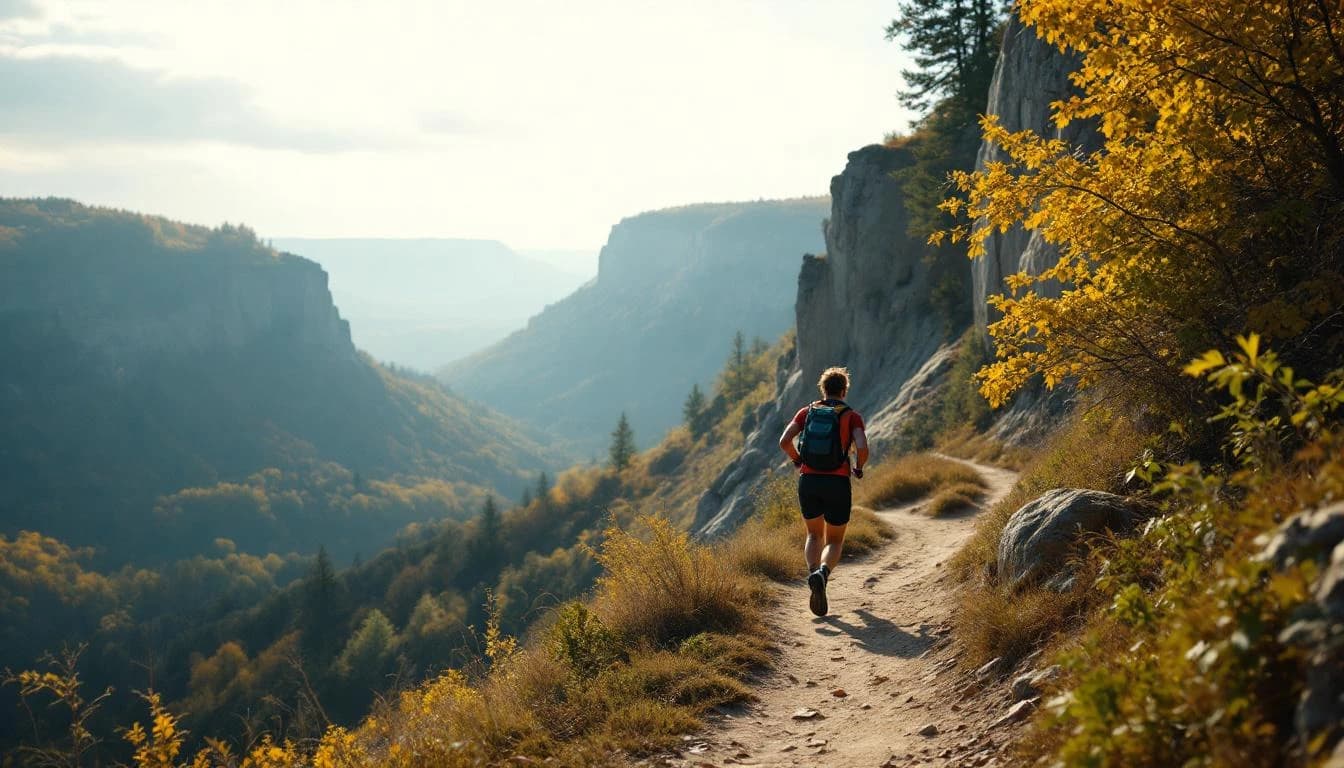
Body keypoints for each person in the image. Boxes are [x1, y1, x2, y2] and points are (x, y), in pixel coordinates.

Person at [777, 366, 869, 617]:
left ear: (823, 389)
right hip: (837, 482)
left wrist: (797, 460)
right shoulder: (852, 416)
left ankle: (812, 573)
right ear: (844, 390)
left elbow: (784, 441)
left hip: (809, 481)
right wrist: (859, 467)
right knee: (835, 540)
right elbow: (862, 446)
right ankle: (823, 574)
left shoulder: (807, 412)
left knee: (813, 534)